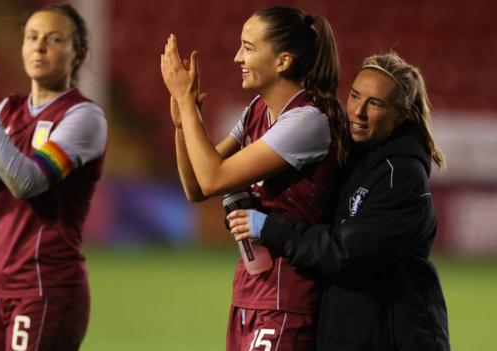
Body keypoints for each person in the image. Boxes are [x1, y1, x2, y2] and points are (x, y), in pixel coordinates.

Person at [228, 52, 450, 350]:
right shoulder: (351, 157)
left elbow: (347, 252)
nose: (358, 111)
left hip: (394, 336)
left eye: (375, 103)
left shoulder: (401, 176)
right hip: (353, 332)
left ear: (402, 114)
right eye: (356, 96)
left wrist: (270, 227)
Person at [161, 6, 349, 351]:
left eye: (248, 47)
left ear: (283, 61)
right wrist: (181, 123)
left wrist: (189, 105)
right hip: (250, 292)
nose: (237, 57)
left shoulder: (308, 121)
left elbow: (214, 179)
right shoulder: (256, 111)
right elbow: (196, 188)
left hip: (289, 295)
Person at [0, 4, 106, 350]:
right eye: (32, 37)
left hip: (47, 289)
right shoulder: (7, 110)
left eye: (54, 39)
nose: (39, 46)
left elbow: (26, 182)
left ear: (78, 54)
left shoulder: (83, 117)